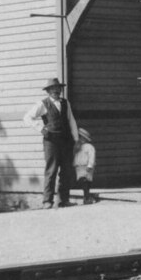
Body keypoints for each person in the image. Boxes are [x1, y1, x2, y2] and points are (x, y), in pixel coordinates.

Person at [23, 79, 79, 208]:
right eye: (52, 89)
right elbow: (27, 117)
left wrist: (76, 139)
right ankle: (47, 201)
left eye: (58, 88)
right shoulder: (43, 104)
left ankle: (64, 200)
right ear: (48, 91)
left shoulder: (65, 103)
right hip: (51, 142)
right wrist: (41, 129)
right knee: (51, 170)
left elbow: (71, 121)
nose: (56, 91)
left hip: (66, 141)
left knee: (66, 170)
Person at [73, 128, 97, 204]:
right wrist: (75, 164)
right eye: (79, 137)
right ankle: (86, 196)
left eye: (82, 138)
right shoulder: (77, 147)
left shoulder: (89, 147)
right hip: (79, 167)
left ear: (85, 139)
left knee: (86, 181)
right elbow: (76, 156)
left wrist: (90, 165)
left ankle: (86, 197)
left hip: (86, 166)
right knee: (82, 181)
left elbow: (91, 156)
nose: (80, 139)